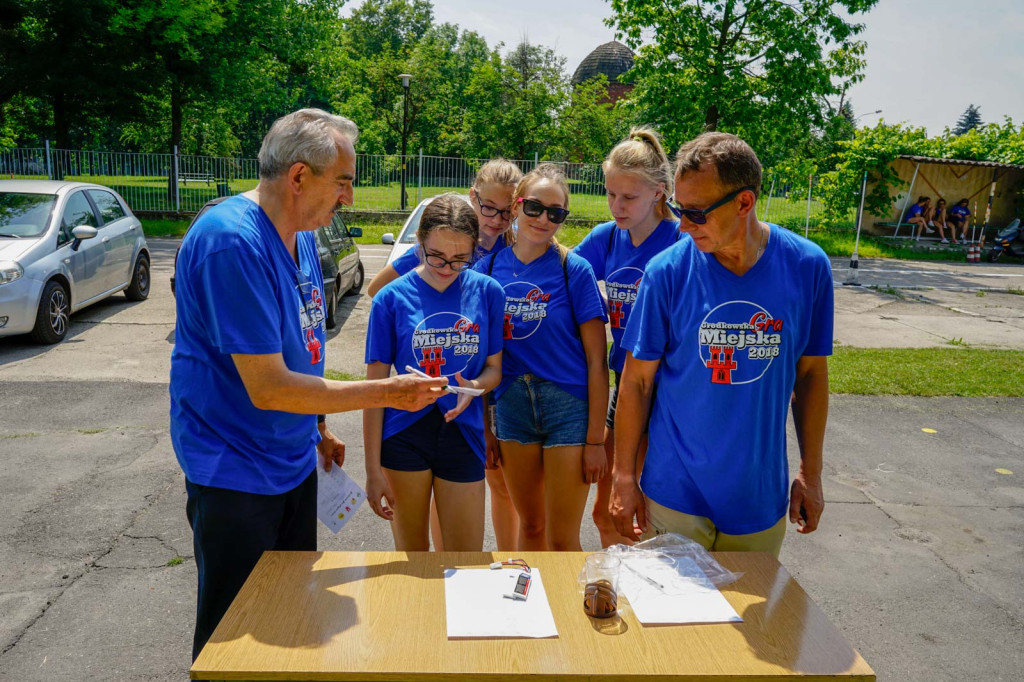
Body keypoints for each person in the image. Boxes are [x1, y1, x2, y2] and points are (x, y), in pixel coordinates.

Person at [170, 108, 446, 661]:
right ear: (299, 177)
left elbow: (300, 348)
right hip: (236, 475)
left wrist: (317, 428)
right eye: (342, 181)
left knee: (292, 612)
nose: (348, 197)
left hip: (290, 462)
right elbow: (270, 387)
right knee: (235, 639)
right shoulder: (232, 243)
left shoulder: (295, 235)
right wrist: (388, 392)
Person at [609, 132, 833, 558]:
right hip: (674, 494)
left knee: (755, 624)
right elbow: (636, 382)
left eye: (695, 213)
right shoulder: (667, 271)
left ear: (744, 203)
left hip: (757, 498)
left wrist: (812, 472)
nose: (682, 225)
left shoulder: (807, 267)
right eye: (678, 209)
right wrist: (624, 479)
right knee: (673, 622)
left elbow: (810, 375)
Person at [367, 159, 524, 552]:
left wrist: (471, 387)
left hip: (462, 433)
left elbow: (493, 371)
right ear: (419, 243)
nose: (446, 269)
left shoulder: (488, 291)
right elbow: (373, 391)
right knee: (413, 562)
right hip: (402, 436)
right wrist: (371, 469)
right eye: (436, 256)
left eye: (459, 260)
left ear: (474, 250)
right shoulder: (390, 298)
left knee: (465, 561)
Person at [474, 163, 609, 551]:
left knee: (563, 538)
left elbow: (598, 363)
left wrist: (596, 441)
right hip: (512, 404)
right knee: (531, 527)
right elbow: (484, 359)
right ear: (516, 207)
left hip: (568, 406)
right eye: (534, 207)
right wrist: (486, 430)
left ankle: (568, 610)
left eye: (555, 212)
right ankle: (531, 609)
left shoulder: (574, 270)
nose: (543, 219)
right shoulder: (488, 270)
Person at [572, 126, 679, 547]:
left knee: (650, 510)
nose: (617, 206)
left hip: (671, 388)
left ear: (660, 193)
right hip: (626, 384)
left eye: (629, 197)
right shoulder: (606, 238)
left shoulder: (681, 239)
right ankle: (613, 594)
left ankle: (645, 596)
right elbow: (561, 276)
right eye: (610, 194)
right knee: (606, 510)